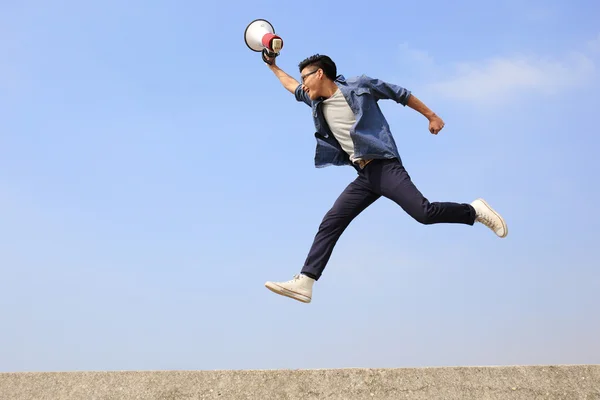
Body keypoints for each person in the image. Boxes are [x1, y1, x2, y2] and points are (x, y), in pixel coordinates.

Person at [263, 53, 507, 304]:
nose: (302, 84)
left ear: (320, 74)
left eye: (306, 77)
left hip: (383, 165)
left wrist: (431, 116)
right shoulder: (316, 101)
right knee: (332, 221)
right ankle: (306, 280)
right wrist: (272, 66)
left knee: (424, 213)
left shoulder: (359, 86)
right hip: (364, 175)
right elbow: (290, 85)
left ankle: (473, 211)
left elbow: (399, 93)